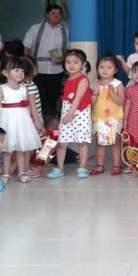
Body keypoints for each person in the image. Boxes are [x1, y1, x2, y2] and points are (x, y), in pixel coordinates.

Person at [0, 56, 42, 183]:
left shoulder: (24, 88)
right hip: (7, 120)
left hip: (22, 120)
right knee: (7, 149)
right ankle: (6, 174)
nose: (20, 73)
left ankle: (22, 172)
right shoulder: (2, 88)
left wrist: (33, 121)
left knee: (21, 148)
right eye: (16, 70)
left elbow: (28, 106)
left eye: (22, 70)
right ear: (5, 73)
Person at [45, 49, 92, 179]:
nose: (71, 65)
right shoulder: (67, 80)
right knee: (62, 142)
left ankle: (82, 167)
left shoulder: (83, 79)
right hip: (67, 113)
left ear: (83, 64)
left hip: (80, 114)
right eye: (68, 62)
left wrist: (70, 114)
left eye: (75, 62)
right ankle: (59, 168)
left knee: (82, 142)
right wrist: (67, 114)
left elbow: (78, 97)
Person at [23, 4, 68, 113]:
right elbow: (26, 46)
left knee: (53, 96)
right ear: (46, 15)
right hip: (37, 69)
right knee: (36, 96)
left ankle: (51, 118)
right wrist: (27, 65)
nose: (56, 15)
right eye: (53, 13)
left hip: (57, 70)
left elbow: (68, 49)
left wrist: (64, 58)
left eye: (59, 13)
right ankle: (38, 117)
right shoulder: (36, 28)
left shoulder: (65, 30)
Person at [90, 55, 125, 176]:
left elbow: (121, 101)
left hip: (114, 118)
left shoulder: (118, 84)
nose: (105, 70)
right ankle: (100, 165)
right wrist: (95, 92)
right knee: (100, 143)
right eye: (102, 67)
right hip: (98, 118)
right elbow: (91, 103)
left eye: (109, 68)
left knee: (115, 143)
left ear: (115, 70)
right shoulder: (95, 83)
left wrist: (112, 94)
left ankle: (116, 165)